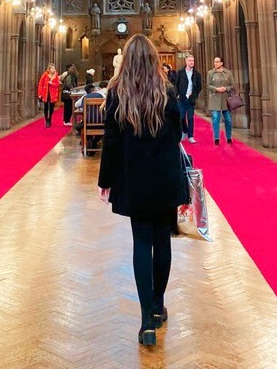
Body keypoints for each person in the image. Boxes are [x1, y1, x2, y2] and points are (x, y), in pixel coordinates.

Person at [98, 34, 188, 347]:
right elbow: (178, 133)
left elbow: (110, 141)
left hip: (134, 177)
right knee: (163, 241)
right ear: (153, 59)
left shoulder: (116, 92)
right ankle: (159, 304)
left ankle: (146, 320)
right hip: (164, 175)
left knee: (141, 243)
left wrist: (105, 180)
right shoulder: (167, 89)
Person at [207, 56, 236, 145]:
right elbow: (208, 85)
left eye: (217, 62)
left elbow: (232, 85)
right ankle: (216, 138)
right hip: (215, 99)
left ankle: (228, 137)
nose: (215, 63)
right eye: (214, 62)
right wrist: (216, 89)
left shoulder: (228, 73)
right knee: (215, 119)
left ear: (221, 63)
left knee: (228, 119)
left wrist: (226, 88)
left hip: (225, 99)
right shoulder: (210, 73)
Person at [175, 53, 202, 143]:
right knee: (181, 117)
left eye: (193, 60)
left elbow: (199, 86)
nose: (192, 62)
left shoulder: (196, 74)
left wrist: (194, 95)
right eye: (190, 60)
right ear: (186, 61)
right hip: (182, 98)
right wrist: (177, 94)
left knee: (190, 118)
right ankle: (184, 131)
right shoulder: (180, 72)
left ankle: (191, 136)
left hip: (191, 99)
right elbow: (176, 84)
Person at [37, 63, 61, 127]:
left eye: (54, 68)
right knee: (46, 107)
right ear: (49, 69)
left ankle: (50, 118)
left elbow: (57, 84)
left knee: (51, 108)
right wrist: (39, 93)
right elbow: (40, 84)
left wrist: (51, 83)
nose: (54, 69)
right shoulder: (45, 75)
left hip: (53, 94)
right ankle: (46, 120)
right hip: (45, 93)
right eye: (52, 68)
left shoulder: (56, 76)